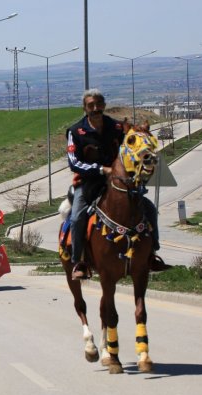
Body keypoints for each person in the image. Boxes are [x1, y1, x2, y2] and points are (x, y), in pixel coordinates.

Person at [66, 88, 167, 280]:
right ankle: (79, 261)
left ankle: (152, 254)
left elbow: (132, 147)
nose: (95, 108)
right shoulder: (75, 132)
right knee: (78, 216)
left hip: (121, 181)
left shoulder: (118, 128)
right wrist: (101, 170)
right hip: (90, 182)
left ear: (104, 105)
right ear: (85, 108)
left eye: (98, 104)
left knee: (150, 209)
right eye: (91, 105)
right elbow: (74, 162)